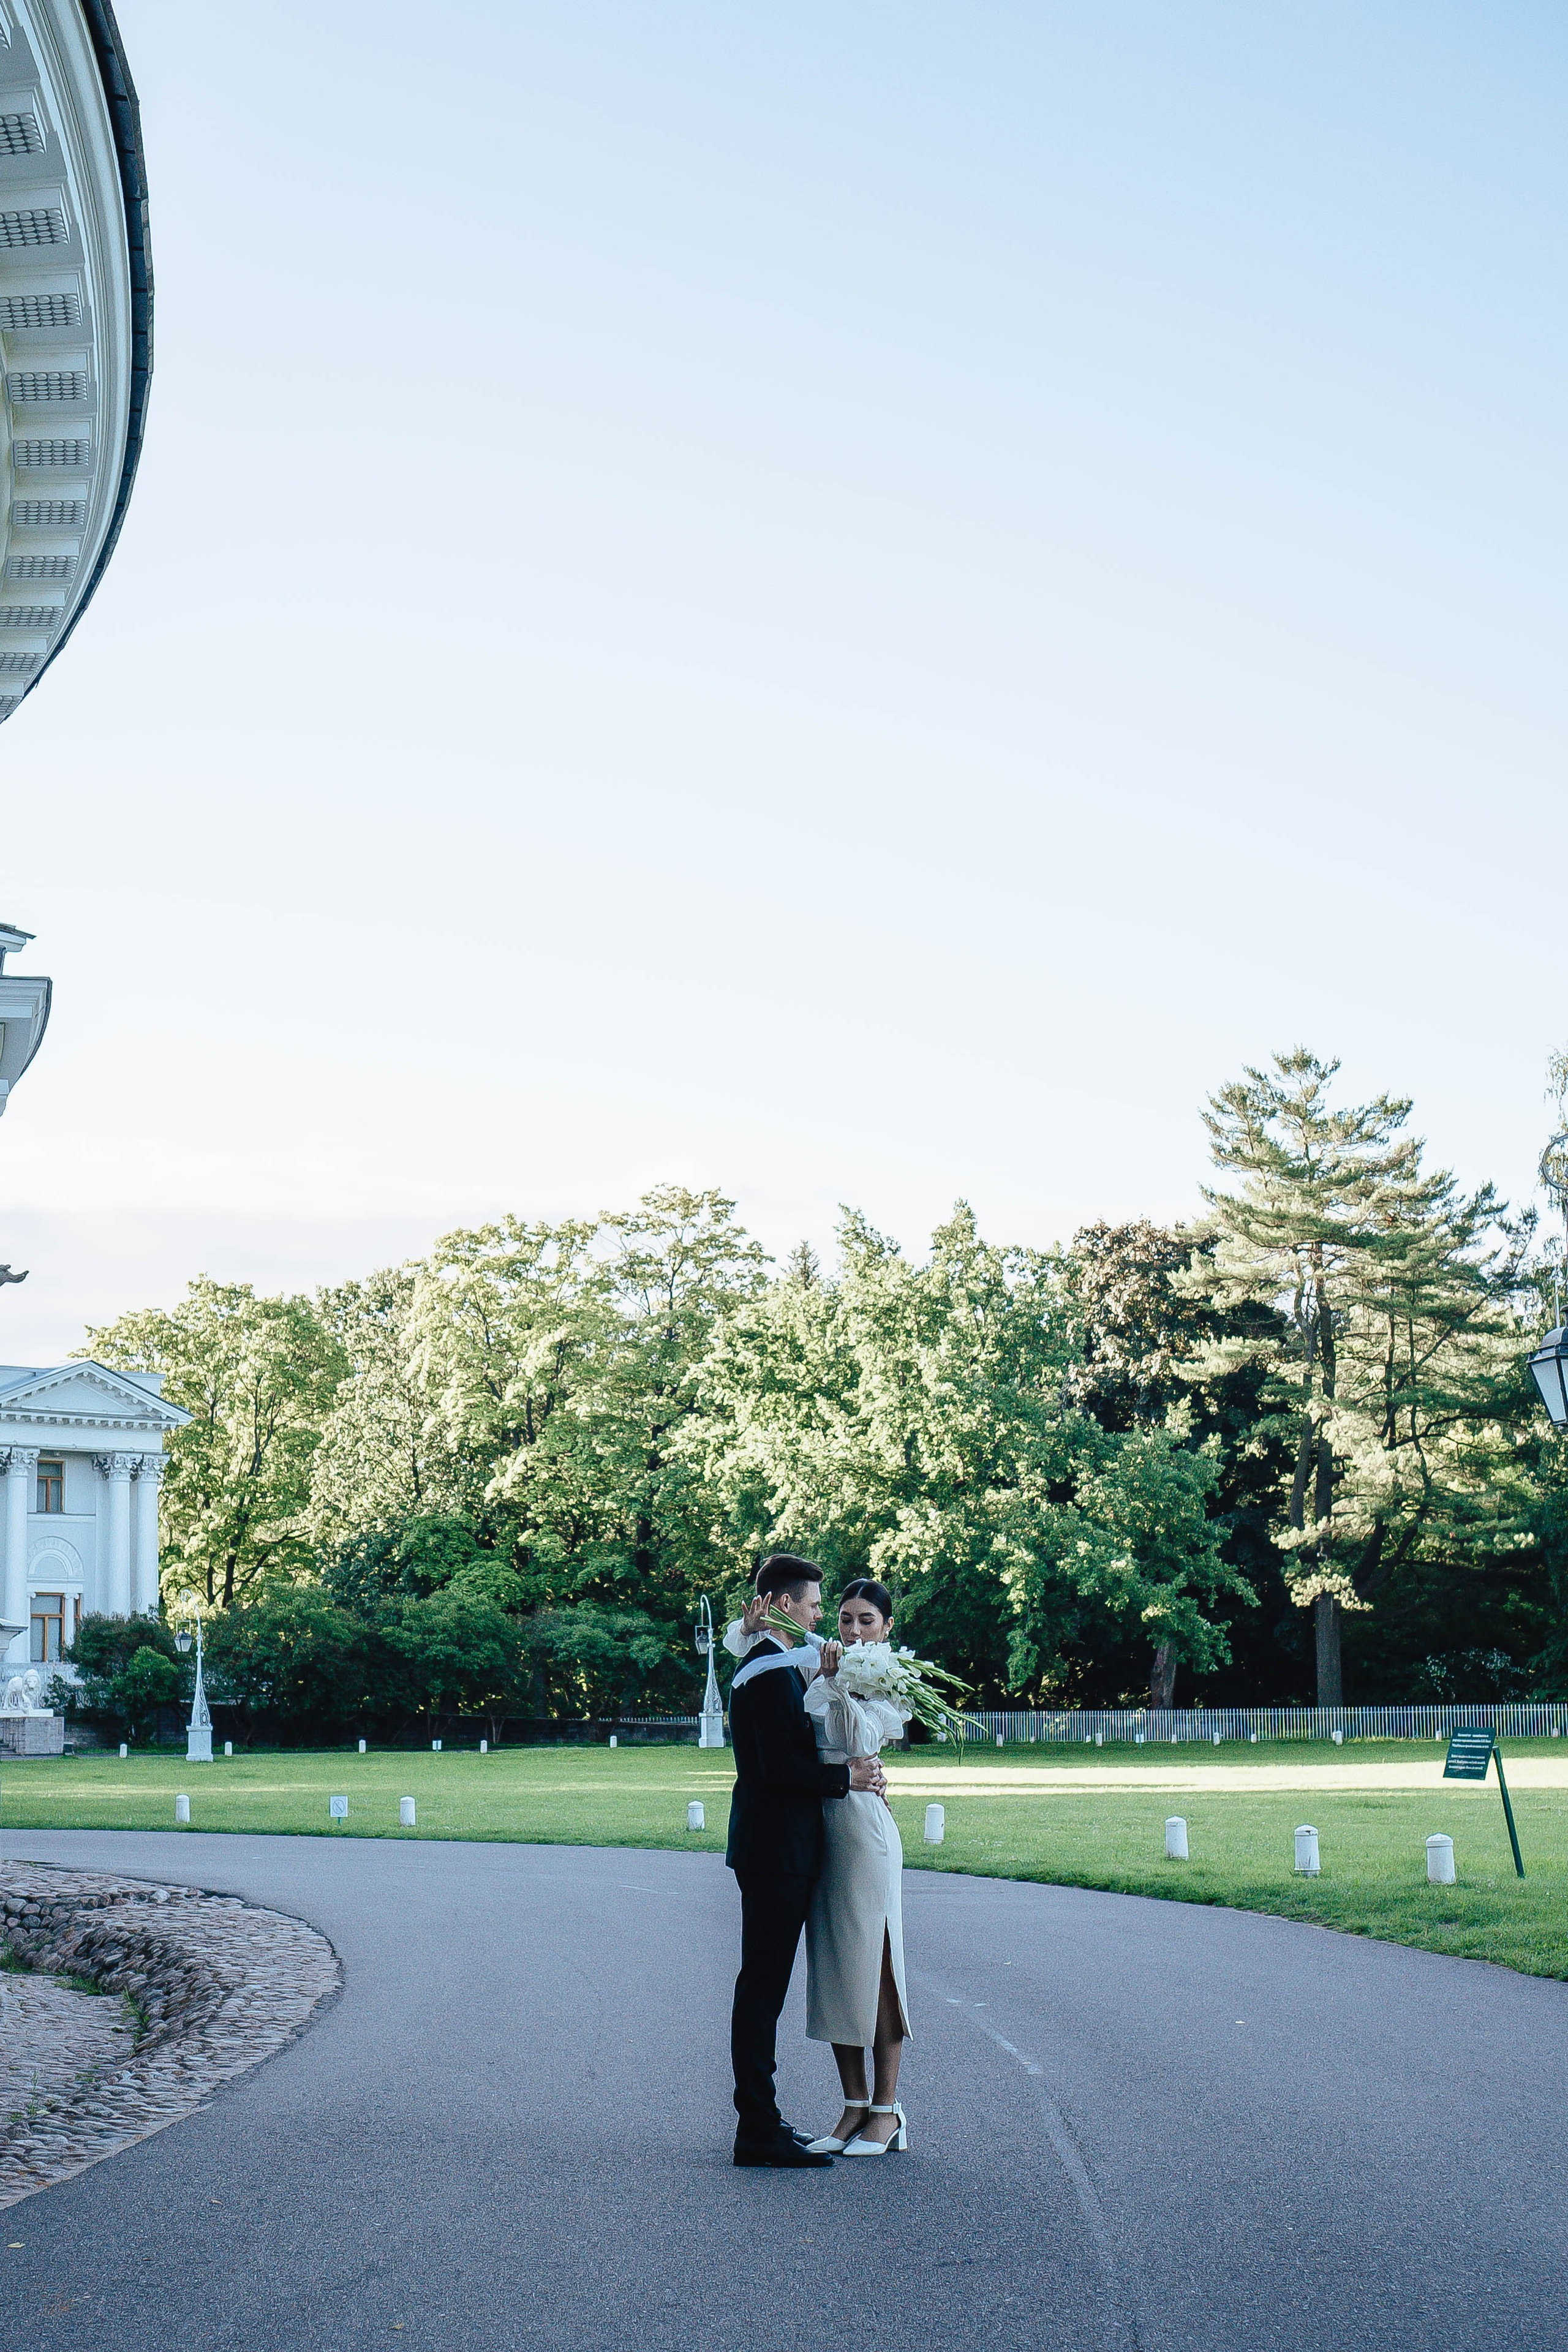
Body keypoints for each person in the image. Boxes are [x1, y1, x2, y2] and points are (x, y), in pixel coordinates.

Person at [725, 1553, 886, 2168]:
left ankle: (764, 2119)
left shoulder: (781, 1663)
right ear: (786, 1605)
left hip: (783, 1849)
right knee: (761, 1989)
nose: (823, 1619)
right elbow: (776, 1769)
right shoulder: (765, 1671)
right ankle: (756, 2129)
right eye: (817, 1606)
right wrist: (843, 1775)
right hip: (774, 1851)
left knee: (765, 1988)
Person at [799, 1577, 911, 2157]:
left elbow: (860, 1739)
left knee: (877, 1961)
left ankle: (888, 2111)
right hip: (821, 1829)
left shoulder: (886, 1682)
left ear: (886, 1626)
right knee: (838, 1966)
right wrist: (825, 1677)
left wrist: (838, 1683)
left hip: (864, 1830)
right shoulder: (822, 1667)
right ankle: (853, 2105)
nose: (852, 1629)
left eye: (866, 1620)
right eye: (844, 1618)